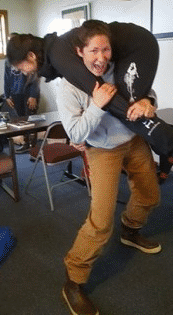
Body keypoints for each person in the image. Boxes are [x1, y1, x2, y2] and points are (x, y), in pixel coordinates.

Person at [6, 20, 173, 193]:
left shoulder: (59, 56)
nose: (23, 72)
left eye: (21, 67)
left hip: (139, 46)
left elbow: (101, 93)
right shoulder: (58, 52)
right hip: (134, 47)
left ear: (31, 56)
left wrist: (145, 102)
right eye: (93, 51)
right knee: (127, 106)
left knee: (125, 108)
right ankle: (171, 153)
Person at [57, 26, 161, 315]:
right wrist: (98, 106)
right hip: (102, 149)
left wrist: (148, 101)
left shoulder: (120, 67)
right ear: (79, 52)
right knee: (101, 221)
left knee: (150, 195)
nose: (101, 58)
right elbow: (76, 133)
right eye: (93, 51)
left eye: (105, 50)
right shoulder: (69, 86)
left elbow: (146, 90)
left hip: (133, 139)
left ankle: (131, 230)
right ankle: (73, 280)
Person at [2, 60, 39, 151]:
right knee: (21, 120)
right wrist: (7, 96)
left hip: (29, 95)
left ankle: (33, 147)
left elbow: (35, 76)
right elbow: (6, 78)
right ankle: (25, 143)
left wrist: (33, 95)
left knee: (30, 120)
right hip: (15, 94)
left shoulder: (26, 57)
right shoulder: (8, 62)